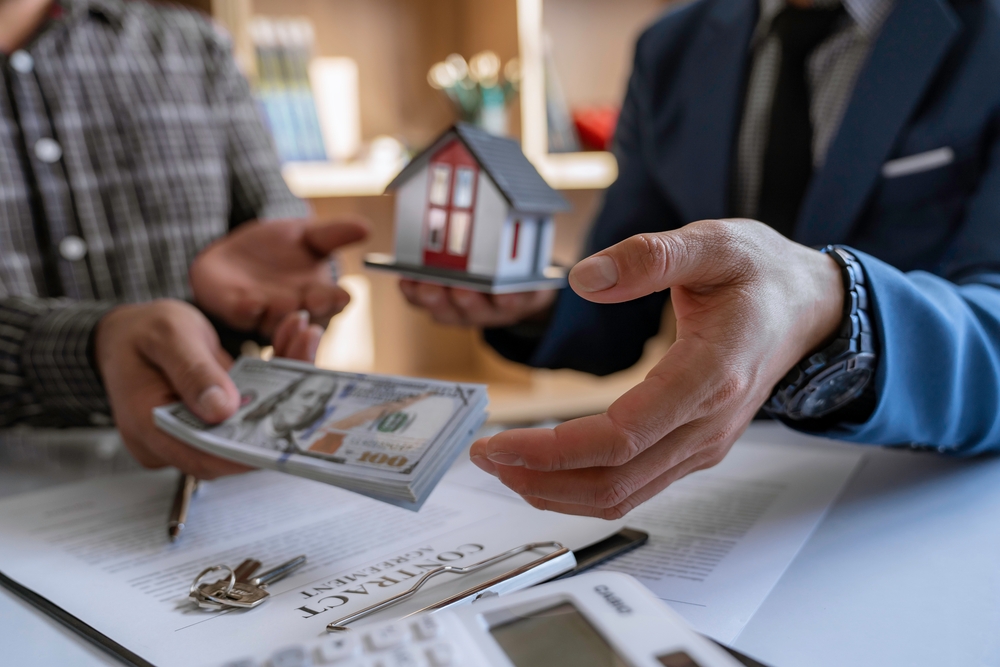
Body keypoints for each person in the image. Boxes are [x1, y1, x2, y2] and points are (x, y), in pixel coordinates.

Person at [402, 0, 1000, 518]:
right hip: (721, 491)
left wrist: (831, 302)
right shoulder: (672, 45)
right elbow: (622, 301)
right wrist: (530, 302)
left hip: (920, 490)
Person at [0, 0, 368, 478]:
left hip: (212, 474)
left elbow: (279, 228)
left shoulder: (193, 46)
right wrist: (94, 344)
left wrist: (285, 294)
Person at [219, 373, 339, 452]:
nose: (311, 405)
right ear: (283, 398)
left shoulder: (294, 452)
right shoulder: (231, 433)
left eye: (322, 400)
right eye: (306, 395)